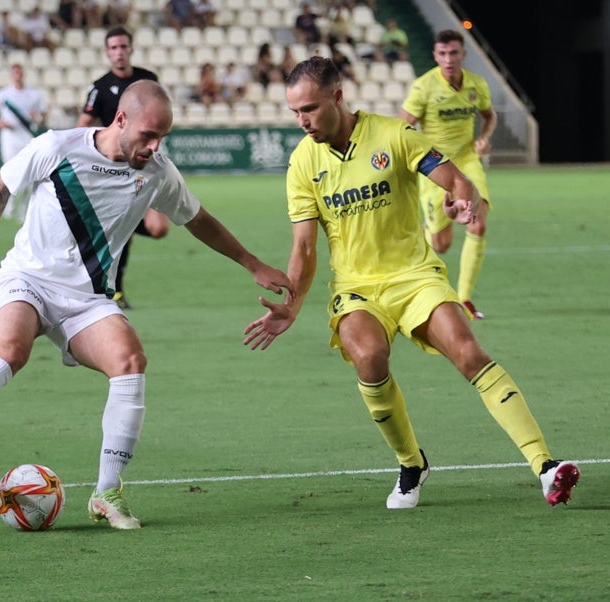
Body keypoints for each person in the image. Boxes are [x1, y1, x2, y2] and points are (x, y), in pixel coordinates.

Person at [0, 81, 293, 529]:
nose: (155, 146)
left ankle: (107, 492)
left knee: (130, 360)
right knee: (9, 353)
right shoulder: (57, 147)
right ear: (120, 120)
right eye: (148, 135)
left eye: (163, 137)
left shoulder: (157, 171)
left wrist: (251, 263)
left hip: (86, 300)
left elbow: (198, 220)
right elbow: (1, 184)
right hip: (28, 280)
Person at [243, 57, 579, 510]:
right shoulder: (303, 162)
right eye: (295, 112)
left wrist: (464, 202)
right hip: (358, 288)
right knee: (369, 357)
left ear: (338, 98)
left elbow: (457, 180)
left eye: (310, 109)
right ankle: (411, 463)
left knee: (468, 351)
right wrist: (293, 307)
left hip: (416, 276)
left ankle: (545, 467)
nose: (303, 121)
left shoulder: (394, 135)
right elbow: (304, 248)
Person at [399, 30, 495, 320]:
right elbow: (402, 127)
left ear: (463, 54)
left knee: (478, 223)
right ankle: (421, 248)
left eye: (453, 53)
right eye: (442, 54)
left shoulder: (476, 85)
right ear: (435, 56)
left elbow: (489, 116)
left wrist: (484, 138)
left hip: (467, 161)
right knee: (442, 244)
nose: (448, 59)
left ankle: (464, 298)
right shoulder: (424, 87)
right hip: (436, 167)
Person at [77, 27, 164, 309]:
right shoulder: (100, 88)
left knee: (159, 228)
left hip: (144, 164)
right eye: (113, 48)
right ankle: (114, 289)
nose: (119, 52)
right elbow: (82, 126)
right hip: (113, 169)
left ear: (131, 49)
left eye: (123, 46)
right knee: (123, 226)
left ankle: (106, 226)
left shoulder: (148, 80)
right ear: (107, 52)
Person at [0, 63, 49, 219]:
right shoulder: (3, 94)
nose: (17, 75)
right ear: (11, 74)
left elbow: (43, 114)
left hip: (27, 135)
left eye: (20, 72)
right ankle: (8, 205)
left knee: (29, 171)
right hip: (9, 136)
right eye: (15, 72)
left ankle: (24, 207)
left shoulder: (34, 94)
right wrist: (0, 124)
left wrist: (38, 118)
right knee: (9, 170)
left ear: (24, 74)